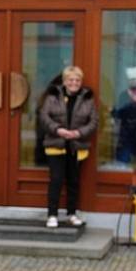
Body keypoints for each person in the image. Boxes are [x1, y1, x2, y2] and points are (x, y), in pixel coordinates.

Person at [38, 65, 98, 228]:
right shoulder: (53, 96)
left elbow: (93, 122)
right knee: (56, 180)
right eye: (71, 80)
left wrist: (79, 133)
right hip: (56, 144)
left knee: (74, 181)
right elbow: (44, 117)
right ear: (64, 81)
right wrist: (58, 130)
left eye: (77, 80)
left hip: (76, 146)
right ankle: (52, 215)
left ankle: (72, 214)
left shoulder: (87, 98)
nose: (74, 83)